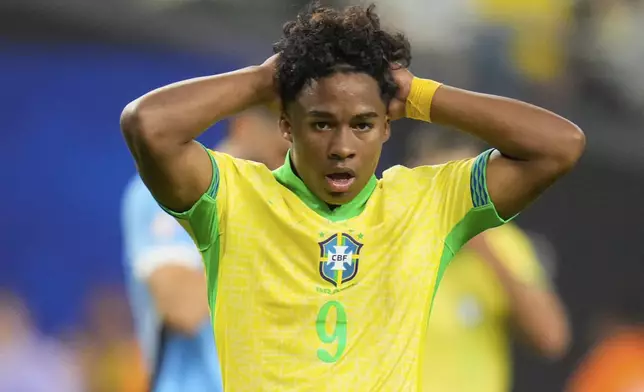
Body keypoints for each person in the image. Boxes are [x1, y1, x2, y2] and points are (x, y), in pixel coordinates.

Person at [119, 3, 585, 390]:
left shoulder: (428, 203)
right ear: (287, 125)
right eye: (322, 123)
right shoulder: (233, 198)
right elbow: (148, 125)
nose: (342, 147)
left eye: (362, 124)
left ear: (387, 125)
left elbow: (559, 145)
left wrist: (420, 94)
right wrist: (264, 80)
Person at [121, 108, 289, 392]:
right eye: (281, 152)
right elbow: (182, 307)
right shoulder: (167, 189)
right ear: (244, 128)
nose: (285, 167)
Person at [408, 129, 571, 392]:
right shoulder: (389, 235)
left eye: (468, 185)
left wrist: (483, 248)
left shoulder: (502, 242)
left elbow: (551, 339)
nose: (457, 199)